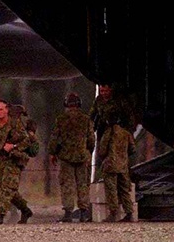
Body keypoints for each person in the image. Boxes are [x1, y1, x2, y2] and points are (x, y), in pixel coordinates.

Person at [49, 92, 95, 223]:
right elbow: (91, 139)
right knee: (83, 184)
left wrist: (53, 153)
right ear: (79, 104)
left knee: (67, 184)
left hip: (66, 156)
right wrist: (88, 151)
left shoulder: (61, 119)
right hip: (82, 156)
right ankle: (83, 213)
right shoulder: (86, 119)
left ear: (66, 104)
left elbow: (55, 138)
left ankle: (68, 213)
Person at [0, 99, 33, 225]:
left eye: (1, 109)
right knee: (9, 189)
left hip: (14, 160)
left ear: (7, 110)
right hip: (0, 161)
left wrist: (13, 146)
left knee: (7, 188)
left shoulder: (15, 124)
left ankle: (0, 214)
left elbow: (26, 141)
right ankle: (25, 210)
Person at [99, 113, 136, 222]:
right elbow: (133, 149)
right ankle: (129, 213)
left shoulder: (109, 133)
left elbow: (102, 150)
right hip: (123, 166)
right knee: (124, 190)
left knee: (112, 190)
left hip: (111, 166)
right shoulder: (126, 133)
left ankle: (113, 213)